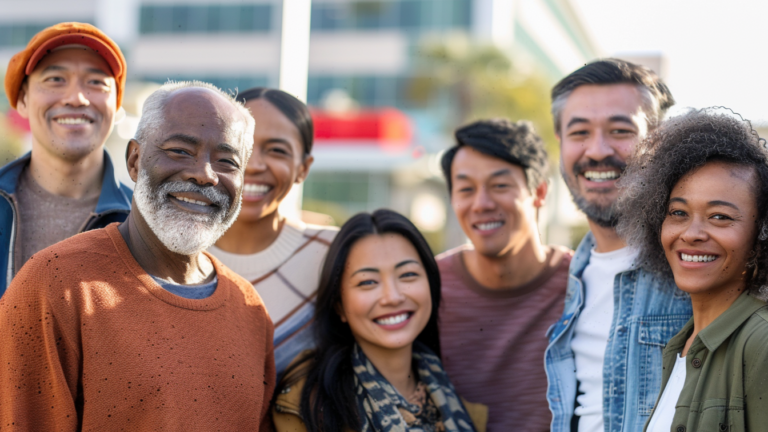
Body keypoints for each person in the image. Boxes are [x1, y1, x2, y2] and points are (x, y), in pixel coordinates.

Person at [0, 81, 275, 430]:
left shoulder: (248, 308)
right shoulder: (56, 284)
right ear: (134, 160)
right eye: (180, 150)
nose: (205, 174)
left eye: (227, 161)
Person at [544, 58, 692, 432]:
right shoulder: (573, 275)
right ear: (560, 143)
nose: (596, 151)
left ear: (660, 141)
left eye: (620, 130)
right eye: (579, 133)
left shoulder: (700, 264)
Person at [615, 109, 768, 432]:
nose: (691, 233)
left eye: (719, 217)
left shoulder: (761, 344)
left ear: (761, 234)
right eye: (678, 212)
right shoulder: (680, 347)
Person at [273, 209, 487, 432]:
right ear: (339, 305)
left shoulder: (461, 407)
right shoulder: (307, 405)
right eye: (368, 282)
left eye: (407, 275)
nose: (392, 297)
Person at [437, 119, 572, 430]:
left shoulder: (585, 284)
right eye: (466, 189)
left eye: (499, 186)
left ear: (539, 192)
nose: (481, 204)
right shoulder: (427, 288)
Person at [207, 87, 337, 376]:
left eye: (277, 150)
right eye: (240, 146)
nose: (253, 165)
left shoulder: (336, 254)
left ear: (303, 168)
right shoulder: (170, 253)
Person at [0, 22, 132, 295]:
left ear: (116, 105)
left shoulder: (143, 223)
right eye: (55, 79)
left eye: (96, 82)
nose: (76, 98)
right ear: (22, 100)